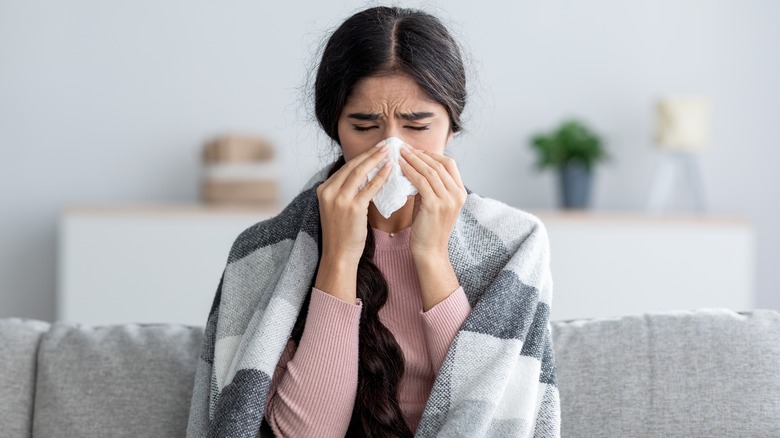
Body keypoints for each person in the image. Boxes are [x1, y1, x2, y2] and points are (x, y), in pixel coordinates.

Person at [187, 6, 560, 438]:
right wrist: (339, 259)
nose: (391, 149)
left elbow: (489, 420)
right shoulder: (264, 252)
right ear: (335, 130)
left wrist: (431, 255)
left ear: (451, 129)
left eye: (417, 125)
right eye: (364, 125)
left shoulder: (516, 244)